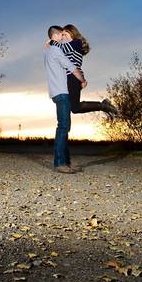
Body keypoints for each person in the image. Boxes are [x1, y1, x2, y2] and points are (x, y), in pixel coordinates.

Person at [43, 24, 83, 173]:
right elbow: (71, 67)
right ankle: (60, 163)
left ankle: (66, 162)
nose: (63, 37)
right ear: (56, 35)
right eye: (62, 35)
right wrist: (82, 80)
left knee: (64, 127)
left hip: (55, 91)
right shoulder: (56, 50)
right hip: (61, 92)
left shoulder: (48, 52)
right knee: (63, 127)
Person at [57, 24, 118, 117]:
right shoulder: (70, 46)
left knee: (75, 108)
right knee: (72, 107)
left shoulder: (76, 43)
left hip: (72, 78)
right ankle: (102, 105)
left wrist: (52, 42)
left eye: (65, 34)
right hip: (70, 79)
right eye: (62, 35)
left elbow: (61, 50)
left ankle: (102, 105)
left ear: (72, 34)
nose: (63, 37)